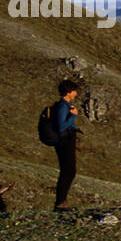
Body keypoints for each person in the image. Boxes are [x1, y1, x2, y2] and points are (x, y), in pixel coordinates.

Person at [52, 79, 81, 211]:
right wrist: (73, 116)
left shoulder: (64, 106)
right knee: (68, 171)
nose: (76, 93)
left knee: (69, 171)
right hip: (64, 141)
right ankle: (60, 202)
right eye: (74, 91)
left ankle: (62, 201)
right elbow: (61, 126)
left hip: (66, 141)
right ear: (69, 92)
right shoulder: (63, 106)